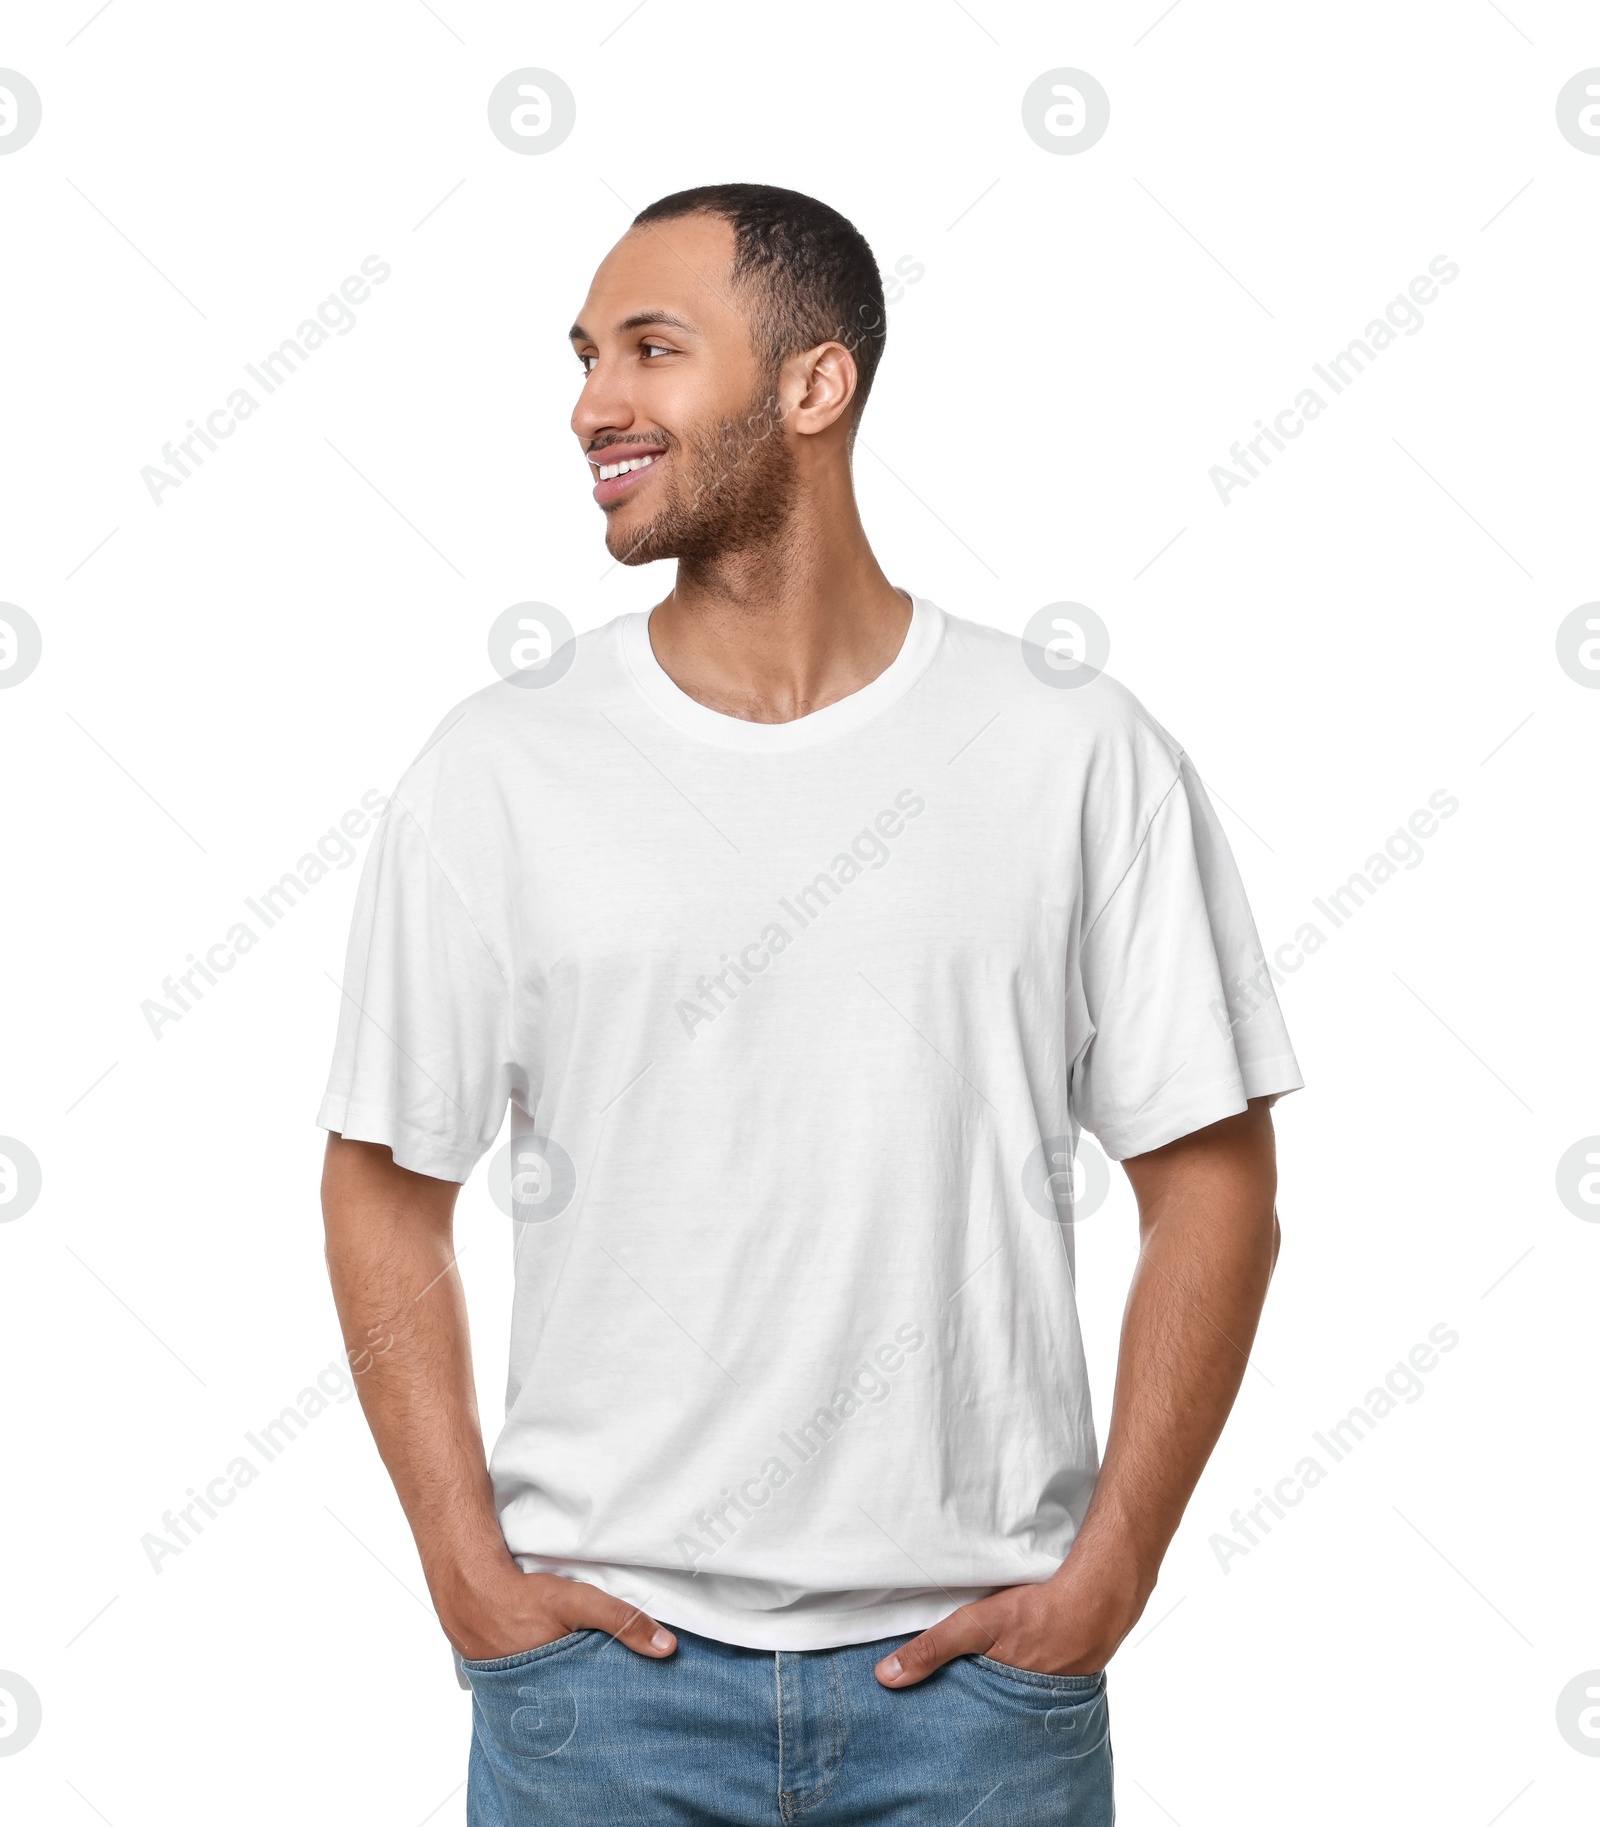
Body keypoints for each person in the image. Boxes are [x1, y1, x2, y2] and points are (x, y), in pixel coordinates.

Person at [319, 183, 1302, 1825]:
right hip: (601, 1696)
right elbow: (380, 1183)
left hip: (979, 1695)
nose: (592, 404)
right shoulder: (498, 771)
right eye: (583, 358)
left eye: (651, 348)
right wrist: (461, 1567)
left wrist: (1112, 1570)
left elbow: (1212, 1183)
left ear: (813, 385)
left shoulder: (1069, 750)